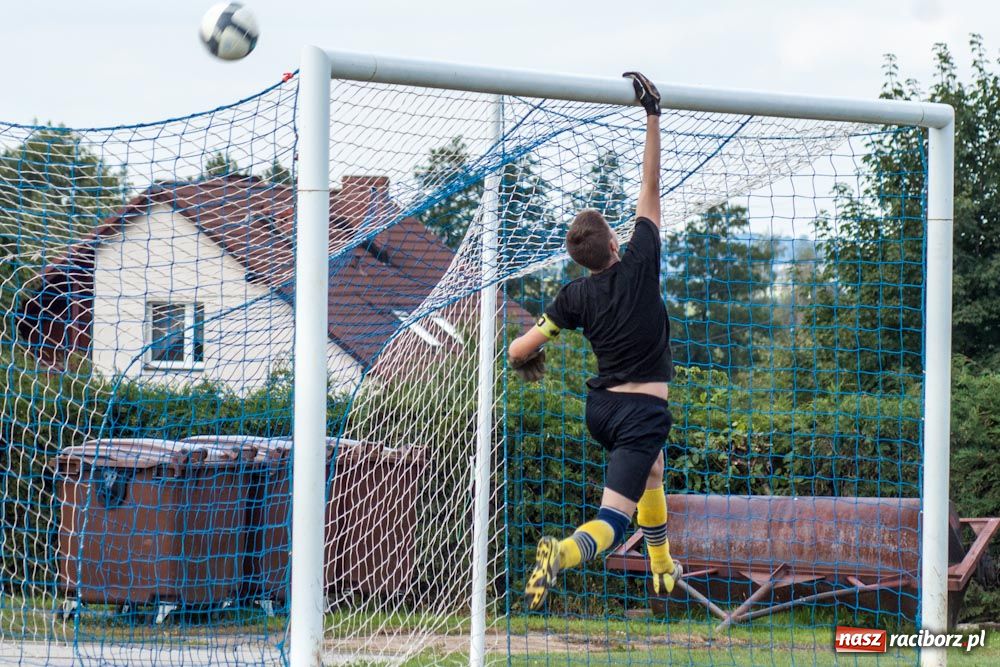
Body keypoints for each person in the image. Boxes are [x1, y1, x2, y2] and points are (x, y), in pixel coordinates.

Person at [507, 71, 680, 611]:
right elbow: (649, 188)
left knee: (652, 468)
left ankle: (660, 561)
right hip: (638, 414)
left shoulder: (573, 297)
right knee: (611, 519)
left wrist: (538, 353)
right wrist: (653, 114)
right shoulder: (640, 263)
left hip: (600, 409)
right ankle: (559, 554)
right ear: (613, 241)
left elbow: (517, 351)